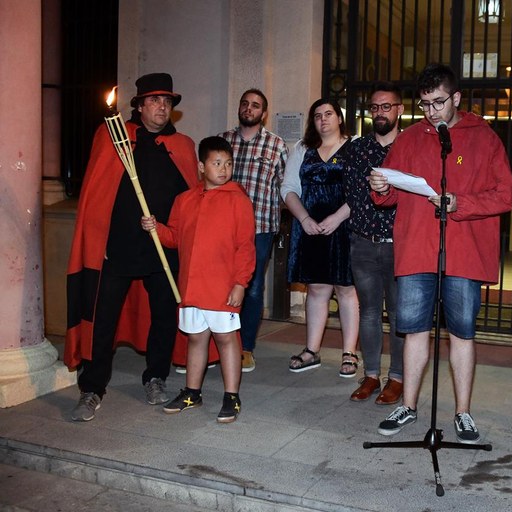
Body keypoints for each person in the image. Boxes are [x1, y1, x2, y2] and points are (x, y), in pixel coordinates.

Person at [369, 63, 512, 443]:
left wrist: (458, 203)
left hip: (463, 252)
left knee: (462, 333)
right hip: (418, 248)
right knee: (414, 330)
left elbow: (504, 196)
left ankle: (463, 413)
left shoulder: (484, 137)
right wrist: (381, 184)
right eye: (424, 104)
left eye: (438, 102)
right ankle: (410, 405)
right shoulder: (410, 138)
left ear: (456, 98)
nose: (431, 112)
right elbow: (386, 196)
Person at [65, 73, 199, 421]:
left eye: (167, 101)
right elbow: (96, 194)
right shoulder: (114, 137)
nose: (162, 107)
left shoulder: (182, 145)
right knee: (102, 320)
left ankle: (155, 376)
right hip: (117, 248)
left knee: (165, 317)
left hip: (163, 247)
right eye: (154, 100)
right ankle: (92, 388)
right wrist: (98, 241)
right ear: (138, 105)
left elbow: (191, 201)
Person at [141, 136, 256, 423]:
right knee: (196, 339)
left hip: (222, 287)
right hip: (192, 285)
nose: (223, 169)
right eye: (217, 163)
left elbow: (246, 246)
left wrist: (240, 283)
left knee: (227, 339)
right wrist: (156, 228)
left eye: (228, 163)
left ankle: (232, 396)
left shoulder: (238, 201)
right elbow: (175, 238)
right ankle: (193, 391)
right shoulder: (185, 199)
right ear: (201, 166)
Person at [280, 99, 360, 377]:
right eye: (317, 115)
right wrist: (304, 219)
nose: (323, 119)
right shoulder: (302, 149)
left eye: (329, 114)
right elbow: (288, 188)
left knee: (346, 290)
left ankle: (349, 352)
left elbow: (362, 190)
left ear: (339, 117)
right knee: (316, 289)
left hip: (345, 229)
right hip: (310, 228)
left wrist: (337, 218)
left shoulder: (355, 146)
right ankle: (312, 350)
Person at [343, 82, 406, 404]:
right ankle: (370, 375)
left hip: (400, 245)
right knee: (368, 312)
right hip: (364, 242)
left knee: (397, 314)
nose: (380, 113)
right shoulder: (357, 149)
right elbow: (352, 194)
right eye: (375, 108)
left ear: (400, 110)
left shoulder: (411, 147)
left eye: (386, 107)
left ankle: (396, 378)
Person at [219, 88, 288, 373]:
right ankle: (220, 343)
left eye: (255, 105)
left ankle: (246, 347)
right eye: (245, 103)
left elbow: (284, 189)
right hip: (223, 228)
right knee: (222, 286)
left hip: (259, 229)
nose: (249, 108)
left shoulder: (276, 145)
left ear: (264, 112)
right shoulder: (222, 141)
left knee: (253, 287)